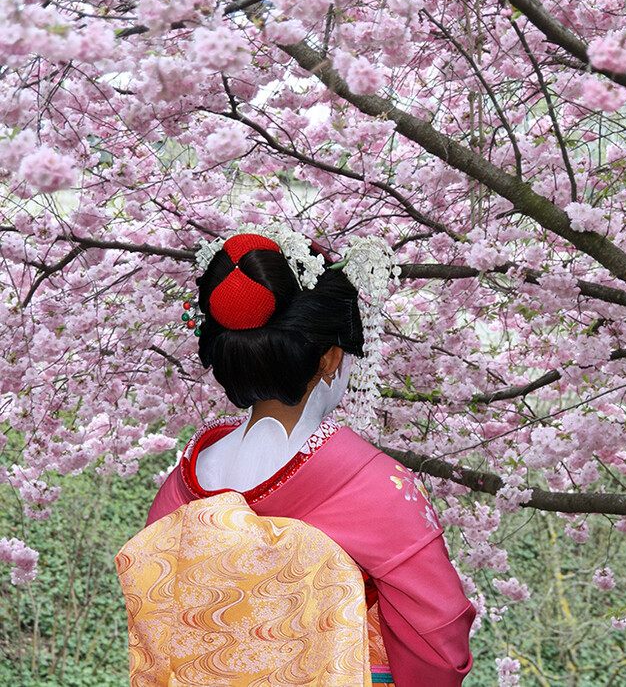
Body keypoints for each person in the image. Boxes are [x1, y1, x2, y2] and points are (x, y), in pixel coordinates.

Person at [117, 230, 474, 686]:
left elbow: (156, 623)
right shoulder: (376, 488)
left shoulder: (181, 487)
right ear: (330, 359)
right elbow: (439, 640)